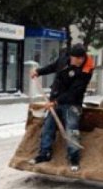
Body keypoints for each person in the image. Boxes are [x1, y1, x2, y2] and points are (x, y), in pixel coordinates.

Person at [28, 44, 95, 172]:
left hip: (72, 103)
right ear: (71, 57)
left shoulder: (86, 70)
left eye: (81, 58)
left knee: (72, 129)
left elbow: (75, 91)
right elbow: (53, 67)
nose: (79, 61)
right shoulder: (64, 60)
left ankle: (73, 158)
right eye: (77, 58)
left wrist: (56, 102)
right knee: (48, 127)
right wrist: (38, 72)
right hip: (55, 99)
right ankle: (44, 153)